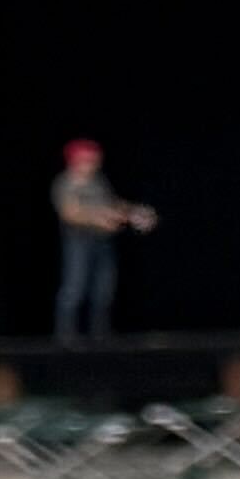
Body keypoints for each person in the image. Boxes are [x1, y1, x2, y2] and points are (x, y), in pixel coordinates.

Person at [49, 141, 155, 341]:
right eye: (89, 160)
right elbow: (69, 213)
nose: (94, 164)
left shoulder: (98, 181)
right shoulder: (66, 183)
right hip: (79, 243)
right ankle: (66, 335)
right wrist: (98, 219)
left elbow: (112, 204)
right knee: (75, 287)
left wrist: (133, 212)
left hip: (102, 242)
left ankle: (100, 334)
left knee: (104, 289)